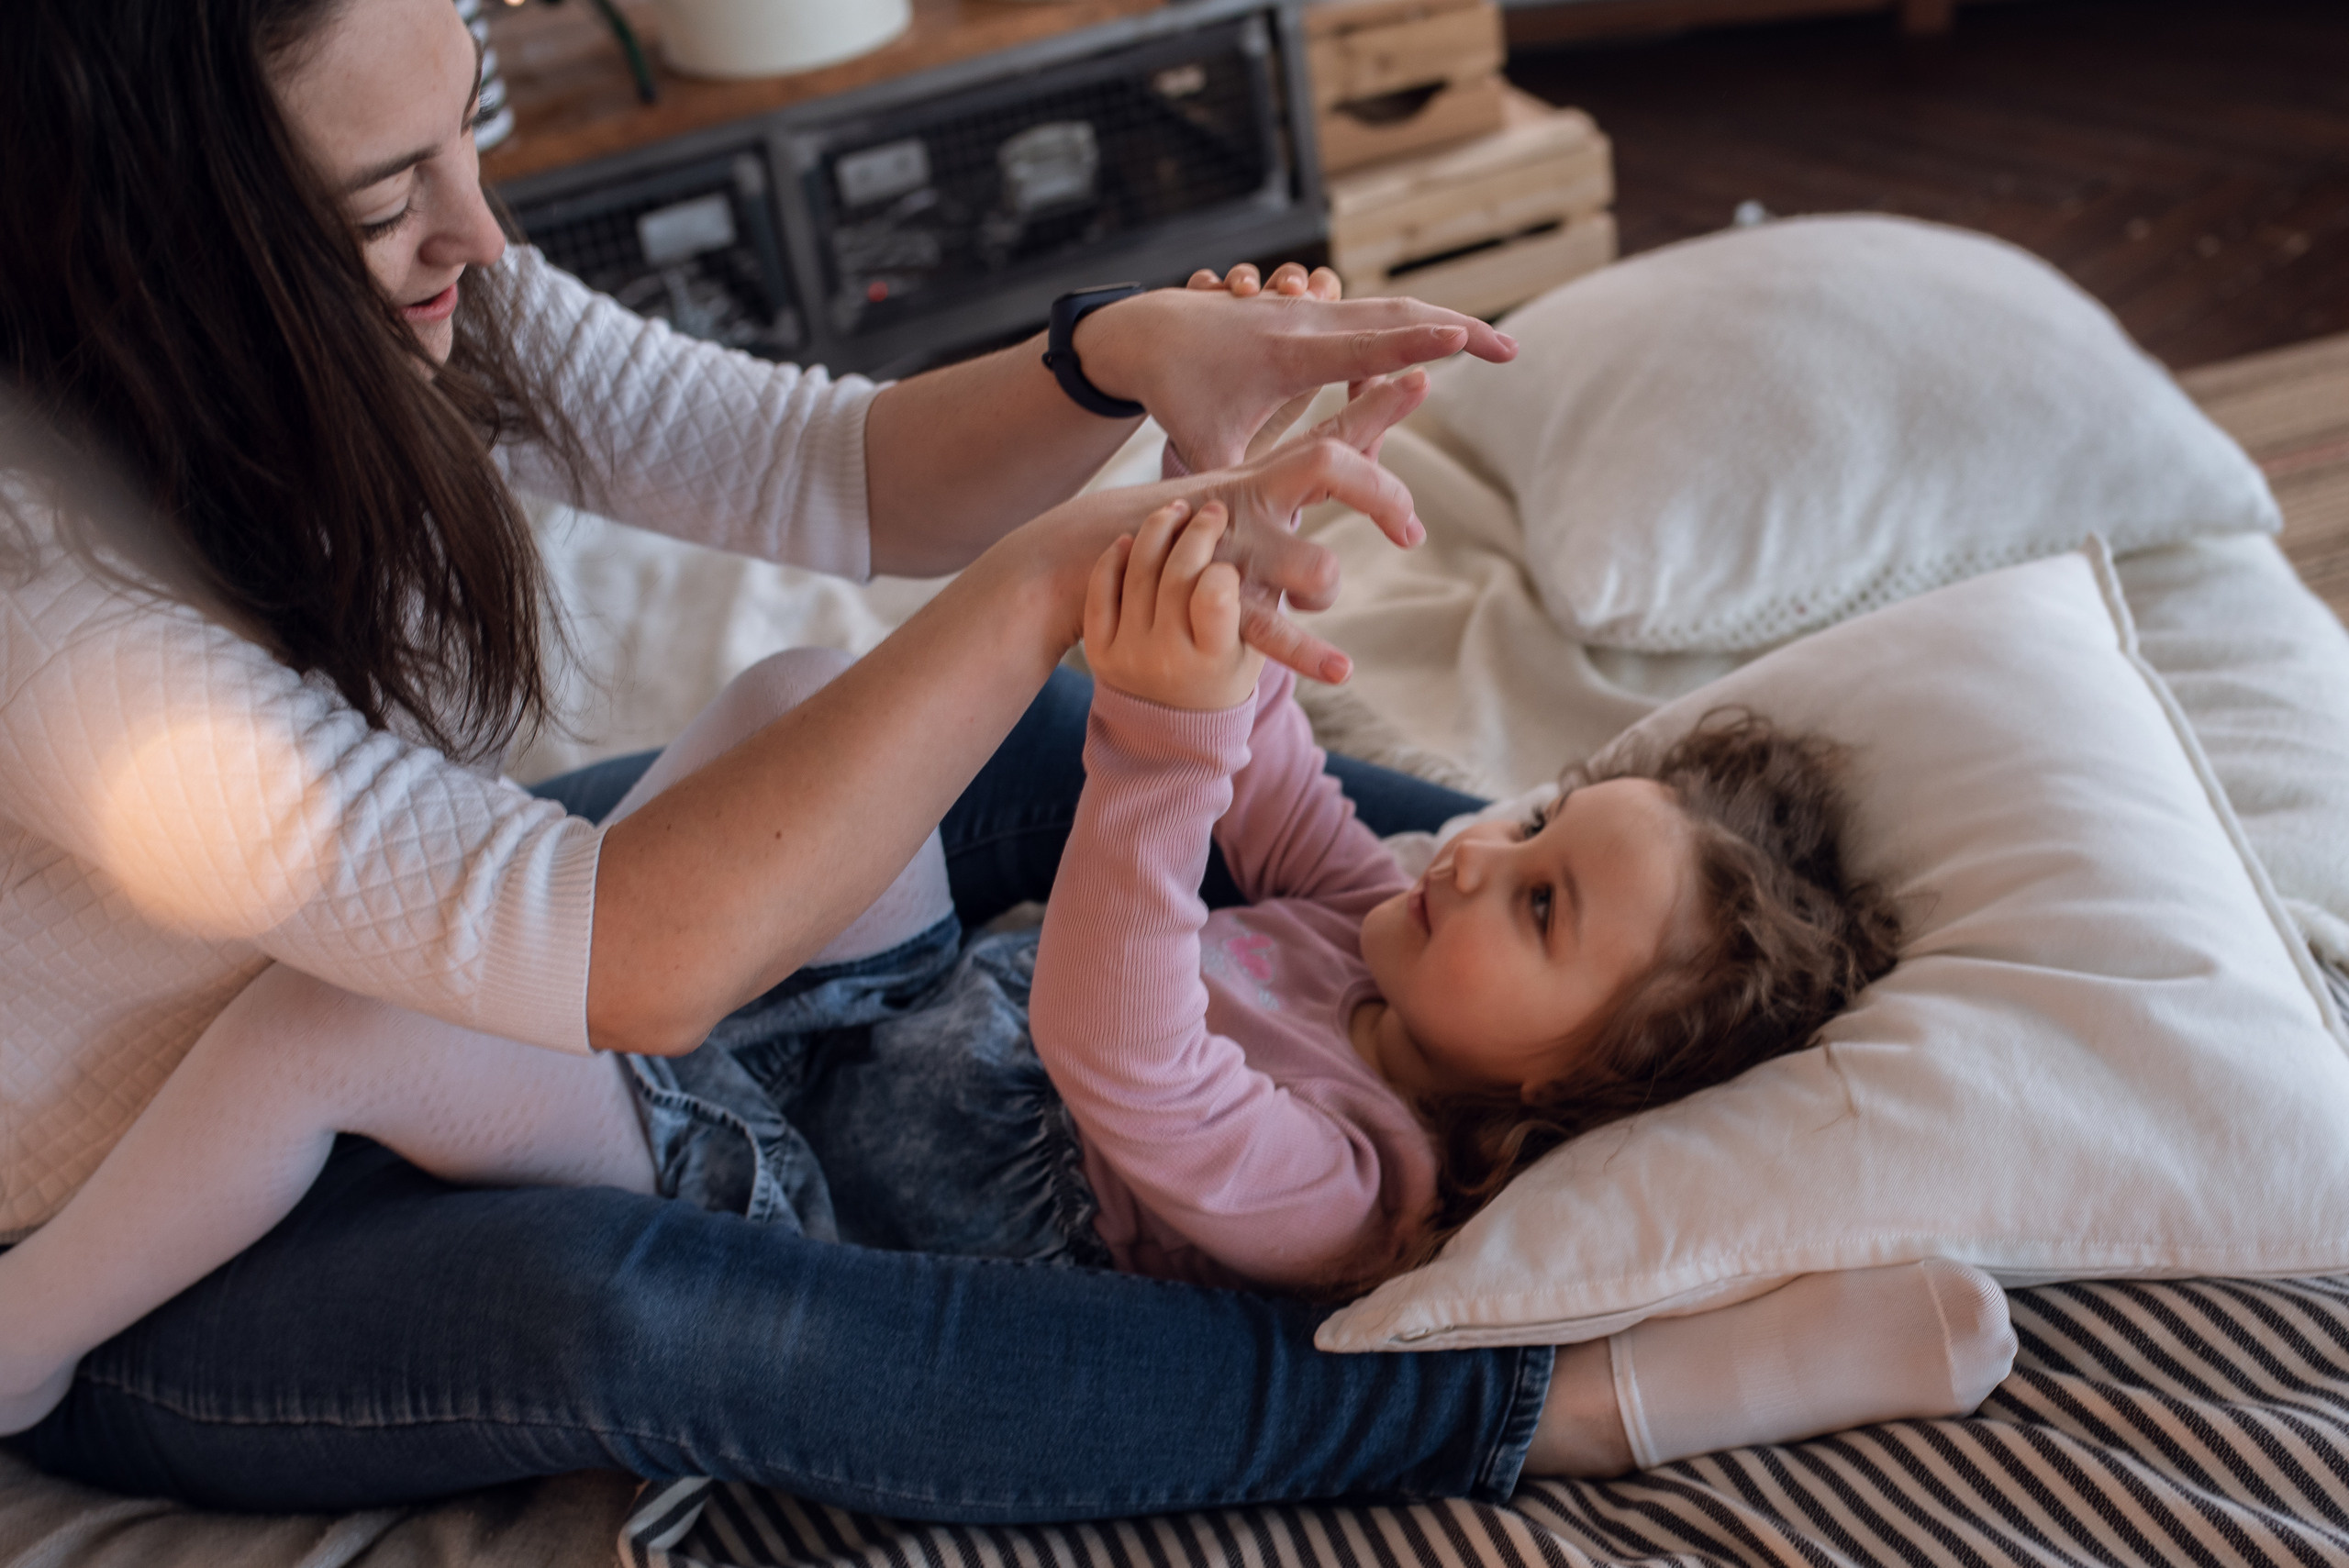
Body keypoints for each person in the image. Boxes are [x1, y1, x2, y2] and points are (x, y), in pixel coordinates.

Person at [0, 0, 2010, 1519]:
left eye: (467, 131)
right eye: (386, 199)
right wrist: (1132, 631)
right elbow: (625, 955)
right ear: (167, 236)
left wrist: (1133, 379)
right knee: (622, 1304)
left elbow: (813, 461)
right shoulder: (54, 615)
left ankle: (1694, 1006)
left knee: (921, 715)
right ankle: (1521, 1399)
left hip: (629, 1000)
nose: (482, 234)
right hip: (156, 1229)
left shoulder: (394, 301)